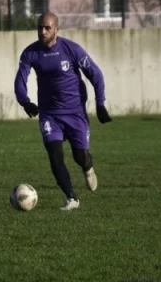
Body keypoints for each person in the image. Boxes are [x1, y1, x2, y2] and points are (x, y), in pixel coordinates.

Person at [14, 12, 112, 210]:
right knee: (55, 154)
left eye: (47, 28)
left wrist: (100, 103)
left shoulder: (71, 49)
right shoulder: (30, 53)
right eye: (40, 27)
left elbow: (96, 74)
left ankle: (88, 167)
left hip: (75, 113)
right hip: (50, 114)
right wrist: (25, 102)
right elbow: (20, 80)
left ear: (56, 29)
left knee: (79, 156)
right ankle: (71, 198)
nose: (42, 31)